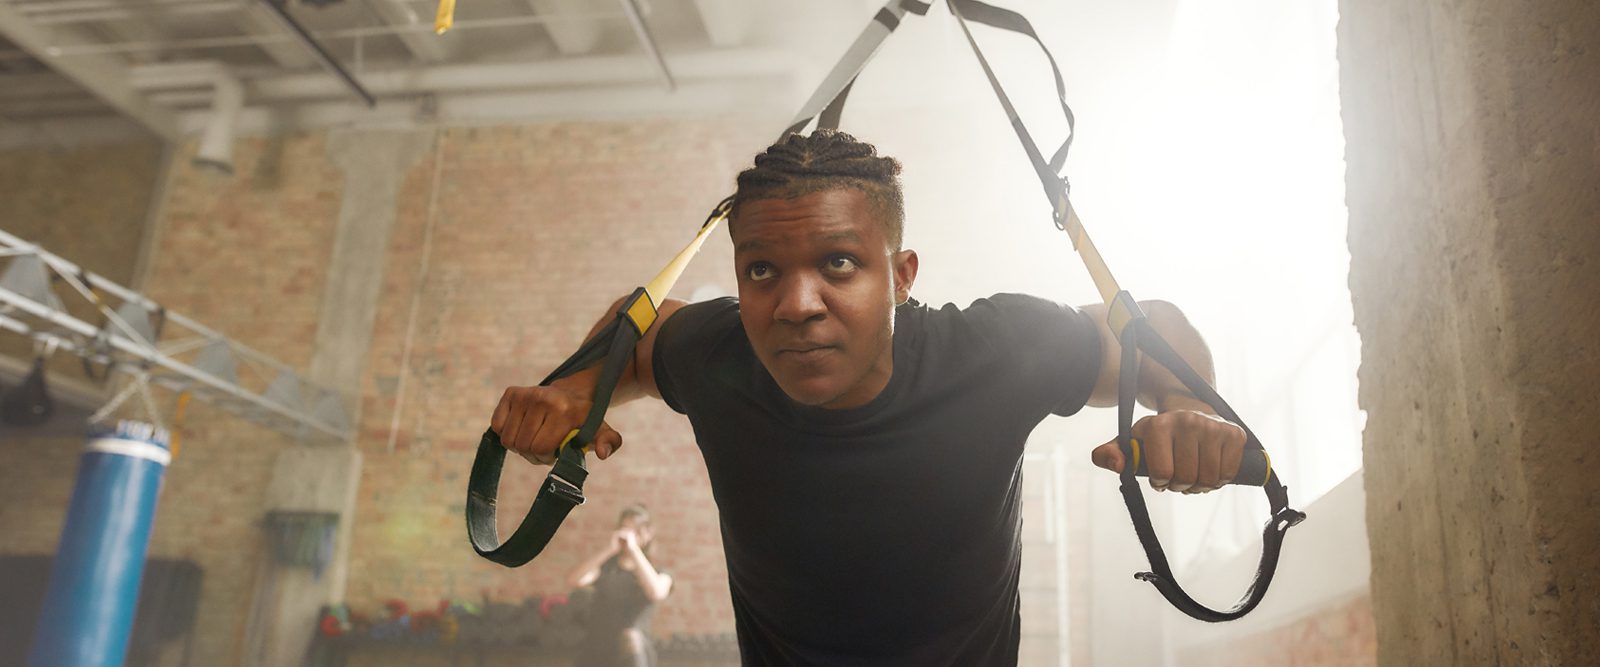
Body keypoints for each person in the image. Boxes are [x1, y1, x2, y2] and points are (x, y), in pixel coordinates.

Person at [491, 130, 1247, 665]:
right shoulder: (720, 355)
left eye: (839, 263)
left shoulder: (991, 354)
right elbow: (641, 326)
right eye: (761, 271)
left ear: (902, 275)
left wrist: (1195, 415)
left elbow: (1159, 329)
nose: (796, 305)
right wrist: (574, 391)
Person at [567, 504, 673, 667]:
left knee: (631, 636)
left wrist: (634, 550)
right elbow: (574, 581)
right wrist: (609, 550)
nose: (628, 535)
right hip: (598, 648)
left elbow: (656, 593)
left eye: (635, 530)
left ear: (647, 534)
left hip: (633, 652)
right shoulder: (605, 568)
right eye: (624, 528)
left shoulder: (659, 573)